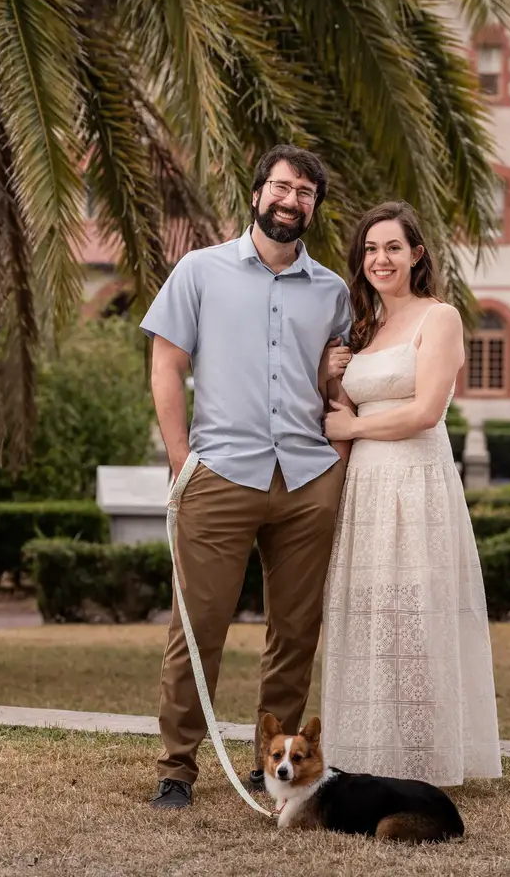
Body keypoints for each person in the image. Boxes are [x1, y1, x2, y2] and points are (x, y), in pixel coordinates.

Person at [140, 145, 351, 809]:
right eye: (283, 187)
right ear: (257, 192)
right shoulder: (199, 272)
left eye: (306, 194)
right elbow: (166, 365)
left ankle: (271, 763)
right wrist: (181, 461)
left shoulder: (334, 291)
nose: (292, 201)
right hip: (219, 475)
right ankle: (176, 767)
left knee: (295, 630)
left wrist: (338, 461)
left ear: (314, 207)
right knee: (197, 627)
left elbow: (337, 382)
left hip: (309, 479)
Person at [320, 201, 502, 786]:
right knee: (372, 614)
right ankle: (374, 755)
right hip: (365, 485)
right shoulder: (365, 328)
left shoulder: (438, 317)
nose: (380, 259)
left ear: (417, 255)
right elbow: (346, 405)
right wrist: (332, 375)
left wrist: (352, 427)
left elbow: (425, 412)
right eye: (371, 249)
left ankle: (427, 760)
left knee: (416, 617)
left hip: (415, 480)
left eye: (393, 248)